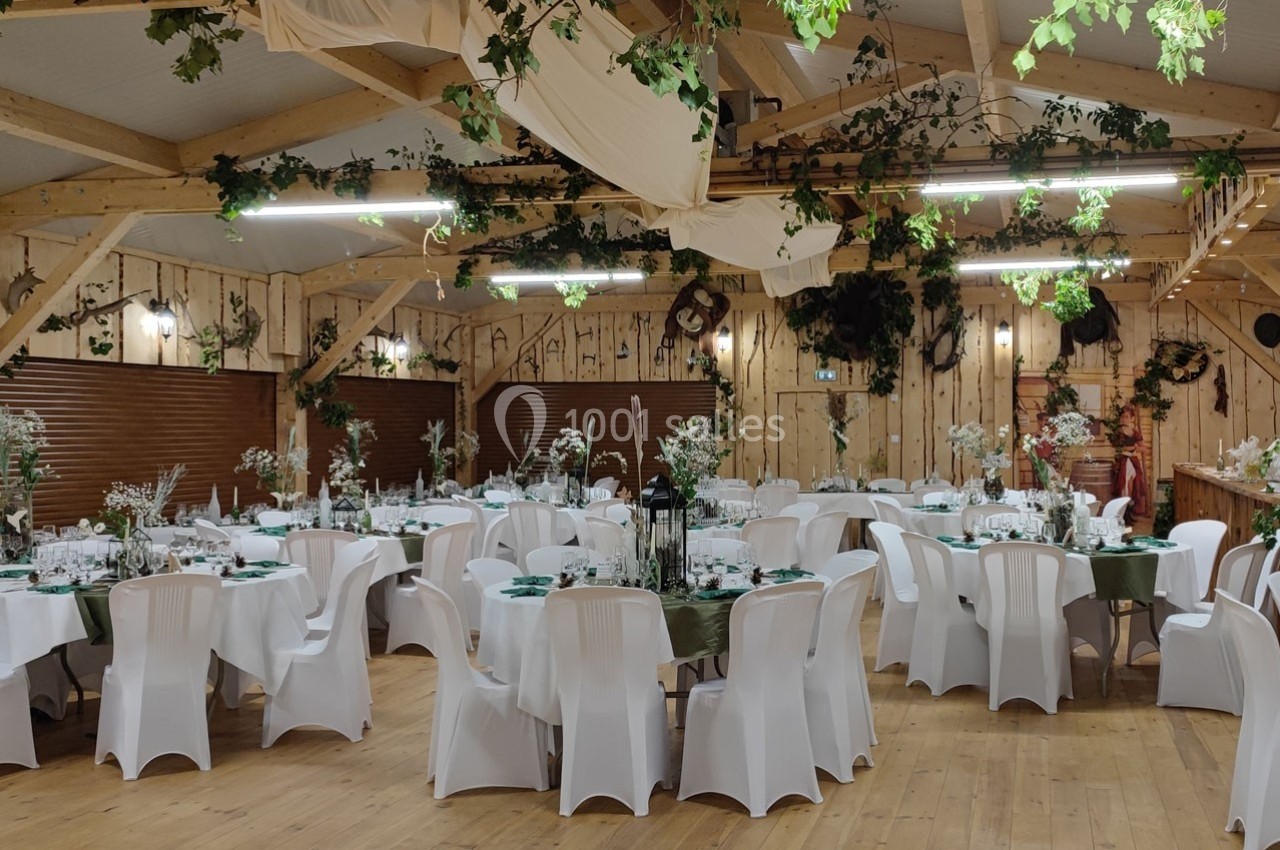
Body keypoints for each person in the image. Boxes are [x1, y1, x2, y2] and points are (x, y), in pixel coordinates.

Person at [1111, 404, 1149, 517]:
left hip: (1133, 461)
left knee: (1133, 483)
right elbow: (1117, 448)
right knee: (1123, 484)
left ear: (1132, 418)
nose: (1124, 419)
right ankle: (1123, 512)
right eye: (1122, 416)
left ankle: (1130, 509)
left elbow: (1144, 449)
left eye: (1127, 417)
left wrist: (1136, 448)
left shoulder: (1135, 433)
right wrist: (1128, 448)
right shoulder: (1118, 432)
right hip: (1122, 460)